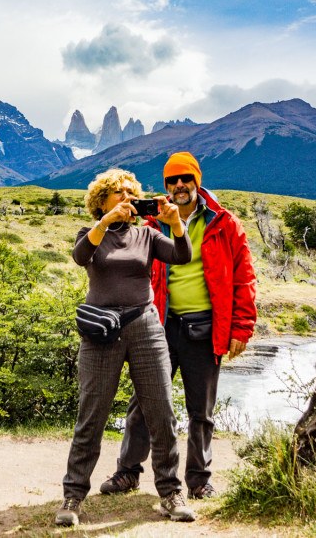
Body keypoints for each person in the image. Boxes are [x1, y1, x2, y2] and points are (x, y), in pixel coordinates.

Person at [100, 152, 257, 500]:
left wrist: (240, 329)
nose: (179, 186)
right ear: (166, 186)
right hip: (159, 326)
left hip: (206, 329)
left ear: (196, 181)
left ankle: (199, 480)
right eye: (172, 180)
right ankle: (128, 472)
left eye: (185, 178)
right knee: (144, 403)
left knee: (201, 410)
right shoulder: (154, 224)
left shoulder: (224, 223)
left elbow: (244, 279)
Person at [56, 168, 196, 527]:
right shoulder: (91, 233)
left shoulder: (147, 235)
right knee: (92, 413)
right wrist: (105, 222)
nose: (124, 197)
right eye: (116, 192)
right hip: (101, 331)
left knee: (161, 410)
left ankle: (170, 492)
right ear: (100, 200)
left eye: (129, 192)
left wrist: (176, 223)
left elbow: (181, 256)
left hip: (145, 326)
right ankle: (73, 496)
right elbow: (80, 255)